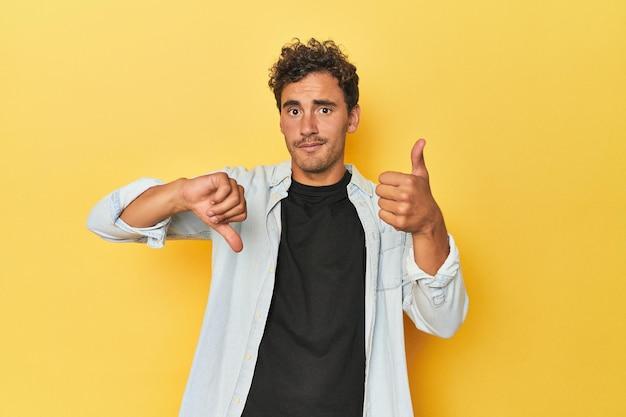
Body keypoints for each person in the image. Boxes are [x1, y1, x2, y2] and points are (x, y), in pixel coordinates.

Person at [87, 38, 469, 417]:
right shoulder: (238, 196)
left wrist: (428, 226)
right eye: (294, 110)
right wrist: (180, 194)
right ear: (281, 120)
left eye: (324, 109)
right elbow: (107, 222)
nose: (307, 127)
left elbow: (443, 321)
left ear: (351, 117)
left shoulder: (390, 214)